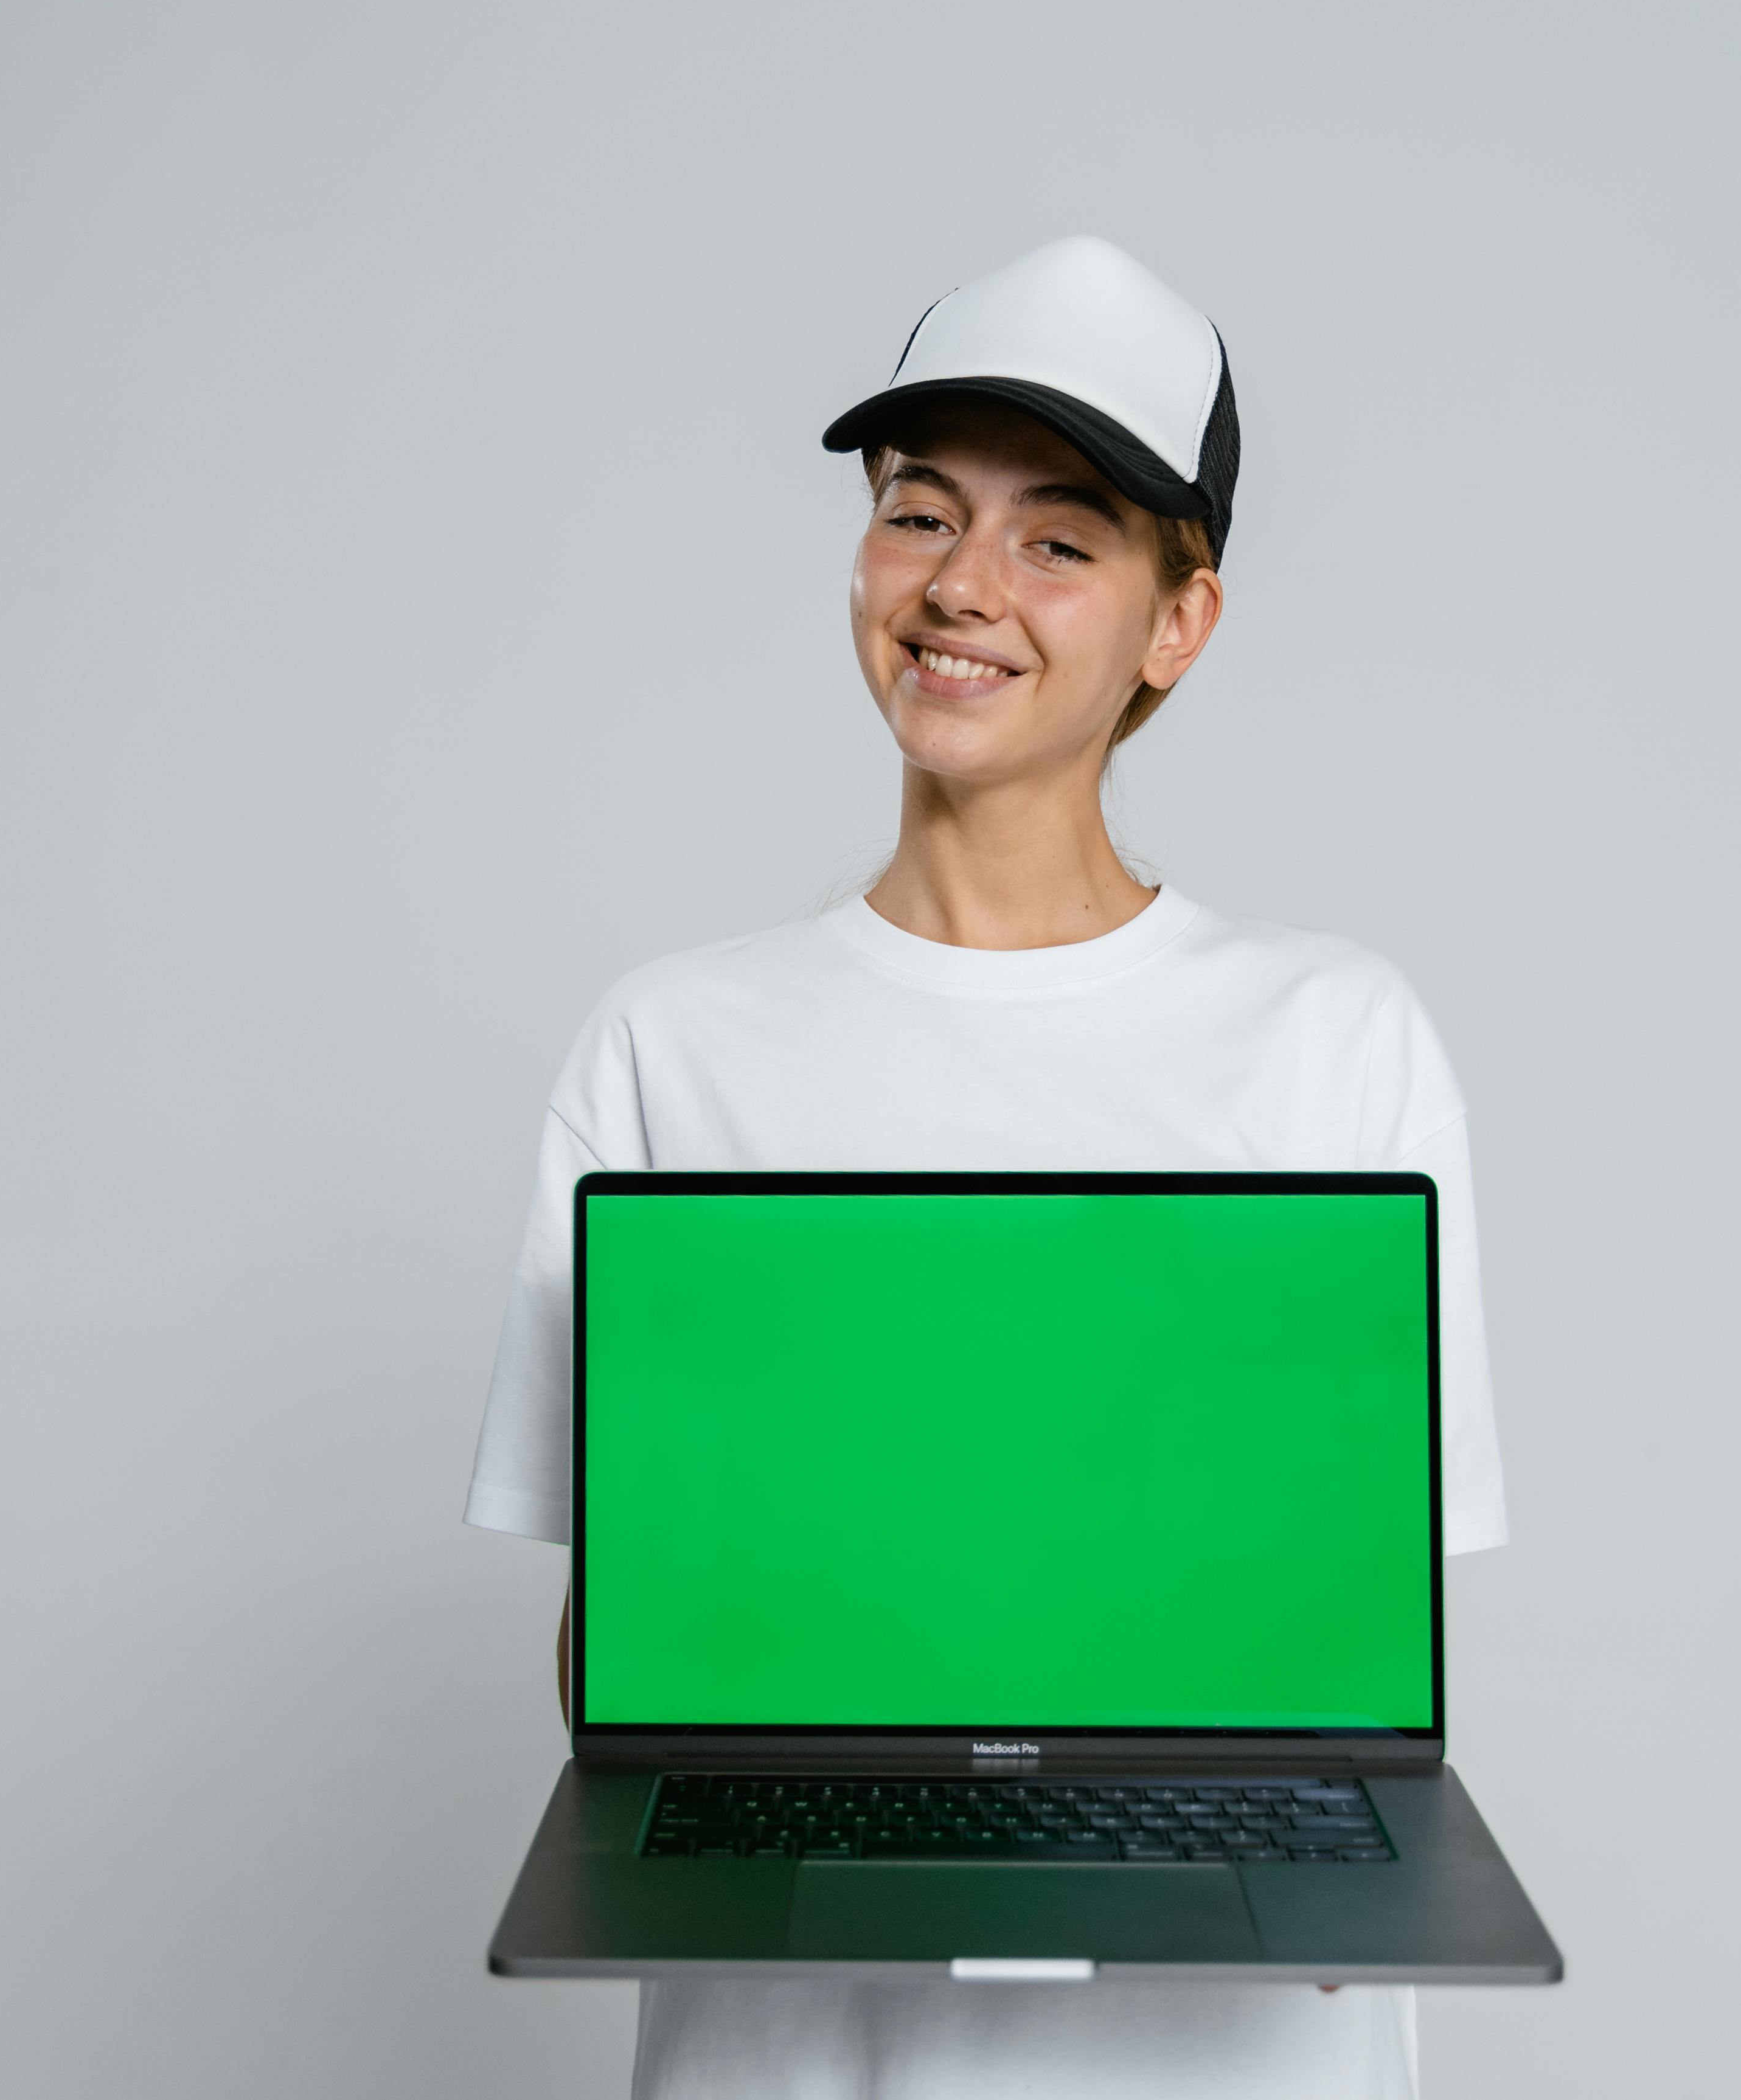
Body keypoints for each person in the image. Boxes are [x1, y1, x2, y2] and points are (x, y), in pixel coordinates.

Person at [464, 235, 1507, 2100]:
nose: (960, 584)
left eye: (1060, 539)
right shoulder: (673, 1045)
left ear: (1180, 621)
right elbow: (615, 1665)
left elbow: (1358, 1648)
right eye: (920, 510)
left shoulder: (1335, 1038)